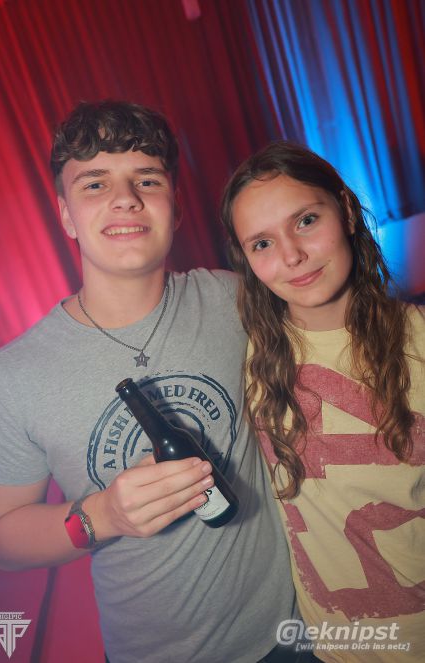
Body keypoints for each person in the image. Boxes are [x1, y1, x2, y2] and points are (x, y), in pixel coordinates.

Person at [0, 102, 303, 663]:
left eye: (147, 179)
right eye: (95, 184)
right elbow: (0, 540)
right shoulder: (13, 376)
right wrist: (104, 515)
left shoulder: (235, 299)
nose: (125, 198)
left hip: (293, 629)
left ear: (175, 208)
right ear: (66, 216)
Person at [220, 141, 425, 662]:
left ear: (347, 211)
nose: (291, 255)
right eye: (262, 243)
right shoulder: (249, 357)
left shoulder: (420, 340)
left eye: (306, 220)